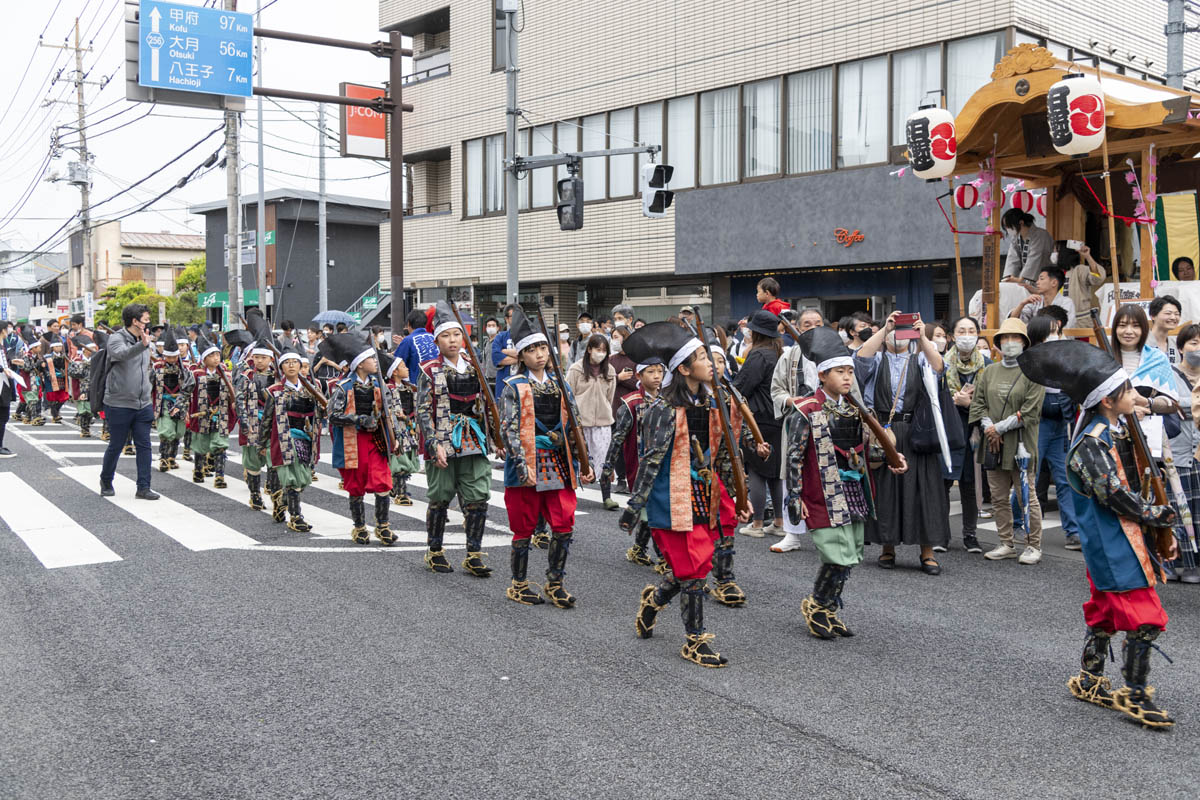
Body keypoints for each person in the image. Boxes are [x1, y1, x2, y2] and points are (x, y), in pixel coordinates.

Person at [1018, 339, 1178, 728]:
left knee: (1106, 613)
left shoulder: (1114, 431)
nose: (1134, 395)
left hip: (1115, 539)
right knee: (1146, 619)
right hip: (1113, 541)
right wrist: (1161, 515)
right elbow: (1116, 498)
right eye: (1127, 390)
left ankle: (1090, 678)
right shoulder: (1091, 444)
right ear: (1107, 400)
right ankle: (1135, 694)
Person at [620, 322, 753, 668]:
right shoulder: (662, 409)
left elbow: (726, 455)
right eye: (701, 357)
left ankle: (654, 600)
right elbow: (650, 460)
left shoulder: (715, 403)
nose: (711, 363)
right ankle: (696, 640)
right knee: (692, 570)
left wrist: (741, 496)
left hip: (707, 492)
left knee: (698, 565)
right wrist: (635, 507)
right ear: (683, 368)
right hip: (672, 494)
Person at [788, 326, 907, 638]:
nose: (846, 378)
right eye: (839, 372)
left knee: (851, 554)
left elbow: (869, 448)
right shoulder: (807, 409)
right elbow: (793, 457)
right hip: (821, 491)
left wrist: (890, 459)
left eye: (849, 372)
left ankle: (828, 607)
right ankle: (816, 605)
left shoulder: (855, 409)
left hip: (852, 487)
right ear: (823, 375)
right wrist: (794, 494)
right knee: (835, 553)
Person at [499, 306, 593, 607]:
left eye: (542, 348)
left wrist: (584, 462)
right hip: (528, 463)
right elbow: (509, 429)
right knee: (524, 526)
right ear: (522, 356)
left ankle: (555, 582)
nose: (539, 354)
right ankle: (519, 583)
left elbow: (575, 425)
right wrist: (521, 463)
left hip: (559, 462)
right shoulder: (513, 387)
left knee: (564, 523)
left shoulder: (561, 385)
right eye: (532, 350)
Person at [855, 310, 951, 573]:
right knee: (886, 490)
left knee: (924, 490)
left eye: (902, 331)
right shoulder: (876, 359)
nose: (898, 336)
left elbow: (939, 367)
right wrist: (884, 330)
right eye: (895, 332)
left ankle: (927, 552)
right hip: (883, 430)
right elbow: (860, 358)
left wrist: (922, 338)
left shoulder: (920, 358)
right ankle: (888, 548)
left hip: (916, 430)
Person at [416, 301, 498, 574]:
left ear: (464, 337)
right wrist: (433, 443)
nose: (452, 340)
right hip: (443, 438)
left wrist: (496, 439)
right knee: (440, 497)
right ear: (436, 340)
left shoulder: (475, 367)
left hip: (473, 438)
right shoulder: (429, 369)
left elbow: (487, 406)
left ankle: (473, 554)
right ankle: (435, 551)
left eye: (456, 335)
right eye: (445, 336)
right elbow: (423, 410)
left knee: (477, 497)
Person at [969, 318, 1045, 564]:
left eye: (1015, 338)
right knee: (999, 496)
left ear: (1024, 342)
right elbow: (978, 403)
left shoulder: (1034, 371)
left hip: (1021, 444)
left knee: (1026, 495)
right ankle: (1006, 542)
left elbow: (1031, 411)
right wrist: (988, 427)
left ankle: (1033, 545)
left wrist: (997, 428)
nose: (1010, 342)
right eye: (1005, 338)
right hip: (992, 445)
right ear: (999, 343)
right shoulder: (990, 371)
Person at [326, 333, 397, 545]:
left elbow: (390, 412)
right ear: (359, 365)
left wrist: (397, 438)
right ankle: (359, 527)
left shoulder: (380, 385)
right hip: (353, 442)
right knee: (356, 486)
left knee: (383, 483)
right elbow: (332, 415)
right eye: (371, 359)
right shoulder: (344, 387)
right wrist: (359, 419)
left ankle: (383, 526)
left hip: (376, 441)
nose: (376, 362)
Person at [1026, 315, 1082, 550]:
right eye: (1050, 331)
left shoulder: (1066, 355)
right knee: (1030, 476)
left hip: (1061, 421)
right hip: (1038, 422)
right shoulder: (1029, 358)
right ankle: (1017, 521)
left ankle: (1072, 532)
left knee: (1064, 478)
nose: (1055, 335)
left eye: (1057, 331)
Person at [603, 360, 666, 567]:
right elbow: (618, 437)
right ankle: (665, 558)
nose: (656, 376)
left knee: (656, 510)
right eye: (651, 372)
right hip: (640, 467)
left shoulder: (669, 400)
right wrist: (608, 467)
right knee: (653, 510)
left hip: (665, 465)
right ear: (638, 376)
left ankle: (639, 548)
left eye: (660, 371)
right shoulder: (630, 403)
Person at [99, 303, 159, 500]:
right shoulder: (116, 339)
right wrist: (141, 345)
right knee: (116, 444)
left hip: (143, 402)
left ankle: (144, 486)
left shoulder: (146, 339)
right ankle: (106, 480)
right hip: (119, 403)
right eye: (146, 319)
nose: (148, 322)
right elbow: (121, 354)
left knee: (144, 445)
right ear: (135, 321)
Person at [261, 341, 320, 533]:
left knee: (303, 480)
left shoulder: (312, 389)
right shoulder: (274, 391)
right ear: (281, 368)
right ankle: (296, 517)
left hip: (306, 437)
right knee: (293, 478)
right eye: (288, 363)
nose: (292, 365)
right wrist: (262, 443)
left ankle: (280, 500)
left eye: (296, 362)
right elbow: (268, 418)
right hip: (285, 438)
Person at [734, 310, 784, 538]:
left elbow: (741, 387)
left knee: (756, 470)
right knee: (775, 472)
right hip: (778, 417)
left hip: (758, 418)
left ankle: (756, 523)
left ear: (756, 332)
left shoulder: (758, 355)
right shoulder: (778, 352)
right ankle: (779, 522)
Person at [945, 316, 989, 553]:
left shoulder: (987, 365)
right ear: (953, 336)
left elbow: (991, 404)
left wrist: (969, 403)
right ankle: (941, 534)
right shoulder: (942, 364)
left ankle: (970, 535)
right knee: (943, 482)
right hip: (948, 428)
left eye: (971, 330)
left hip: (974, 430)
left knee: (970, 484)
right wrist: (953, 402)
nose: (966, 335)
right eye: (961, 330)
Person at [1164, 324, 1200, 583]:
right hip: (1177, 452)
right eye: (1193, 343)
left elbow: (1179, 407)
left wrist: (1182, 407)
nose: (1198, 349)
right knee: (1179, 508)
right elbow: (1167, 405)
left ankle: (1195, 566)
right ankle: (1179, 562)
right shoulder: (1169, 373)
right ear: (1180, 348)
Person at [566, 333, 616, 503]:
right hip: (581, 423)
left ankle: (607, 496)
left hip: (603, 422)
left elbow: (610, 397)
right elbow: (568, 395)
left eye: (604, 350)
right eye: (597, 349)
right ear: (589, 350)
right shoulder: (576, 370)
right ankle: (571, 492)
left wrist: (605, 411)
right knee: (579, 458)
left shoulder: (610, 371)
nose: (600, 353)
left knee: (603, 460)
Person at [235, 329, 280, 517]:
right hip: (253, 422)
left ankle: (276, 498)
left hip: (272, 425)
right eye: (257, 357)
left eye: (264, 357)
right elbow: (239, 400)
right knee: (253, 462)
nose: (260, 361)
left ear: (271, 359)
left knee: (274, 461)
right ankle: (255, 494)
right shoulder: (246, 376)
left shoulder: (278, 378)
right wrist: (245, 424)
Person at [186, 329, 236, 489]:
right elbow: (185, 392)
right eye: (212, 356)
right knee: (201, 445)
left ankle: (220, 476)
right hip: (201, 415)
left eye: (217, 355)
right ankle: (199, 469)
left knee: (220, 445)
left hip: (221, 414)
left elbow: (234, 395)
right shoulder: (196, 374)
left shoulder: (226, 375)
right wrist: (182, 409)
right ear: (204, 358)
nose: (216, 358)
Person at [149, 327, 194, 472]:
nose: (172, 360)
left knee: (178, 431)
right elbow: (149, 385)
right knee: (166, 431)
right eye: (169, 357)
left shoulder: (185, 368)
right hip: (163, 403)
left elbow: (189, 387)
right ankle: (163, 457)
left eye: (174, 357)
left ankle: (172, 458)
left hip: (180, 403)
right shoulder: (157, 367)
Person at [607, 325, 638, 493]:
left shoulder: (636, 359)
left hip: (632, 409)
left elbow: (638, 383)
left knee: (631, 445)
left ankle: (632, 476)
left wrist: (624, 379)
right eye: (613, 336)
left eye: (617, 336)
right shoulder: (611, 360)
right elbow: (606, 381)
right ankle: (620, 478)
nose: (614, 340)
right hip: (615, 407)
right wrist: (618, 378)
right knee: (616, 445)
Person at [1000, 208, 1054, 286]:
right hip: (1025, 279)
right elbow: (1012, 258)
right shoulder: (1016, 237)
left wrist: (1021, 279)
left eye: (1009, 226)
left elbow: (1035, 259)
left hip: (1043, 278)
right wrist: (1009, 277)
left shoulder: (1040, 235)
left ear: (1021, 223)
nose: (1007, 229)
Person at [1010, 267, 1076, 327]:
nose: (1037, 282)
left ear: (1054, 283)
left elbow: (1065, 328)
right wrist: (1022, 304)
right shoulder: (1036, 301)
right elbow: (1013, 320)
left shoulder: (1066, 303)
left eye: (1041, 279)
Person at [1064, 243, 1107, 319]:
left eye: (1056, 249)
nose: (1054, 252)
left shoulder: (1079, 270)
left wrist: (1088, 256)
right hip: (1060, 319)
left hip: (1080, 320)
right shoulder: (1052, 272)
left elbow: (1098, 278)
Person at [394, 308, 438, 380]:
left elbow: (396, 364)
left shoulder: (408, 340)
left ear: (408, 324)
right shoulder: (434, 338)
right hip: (437, 383)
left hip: (418, 386)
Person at [490, 304, 518, 399]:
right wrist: (520, 358)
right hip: (504, 384)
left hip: (524, 385)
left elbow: (529, 356)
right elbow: (497, 358)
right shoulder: (500, 337)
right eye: (513, 316)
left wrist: (504, 351)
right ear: (506, 319)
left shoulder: (529, 337)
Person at [1147, 295, 1182, 367]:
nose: (1173, 317)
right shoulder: (1142, 342)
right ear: (1153, 316)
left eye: (1177, 314)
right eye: (1168, 313)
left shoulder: (1176, 344)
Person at [40, 335, 69, 424]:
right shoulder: (47, 357)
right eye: (57, 346)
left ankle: (55, 411)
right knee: (52, 397)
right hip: (51, 378)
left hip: (62, 378)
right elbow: (43, 368)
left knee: (64, 397)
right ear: (52, 347)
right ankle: (55, 415)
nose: (59, 348)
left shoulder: (65, 356)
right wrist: (48, 374)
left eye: (60, 346)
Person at [0, 323, 17, 458]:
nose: (9, 331)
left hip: (4, 382)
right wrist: (2, 369)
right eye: (7, 328)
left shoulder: (2, 344)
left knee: (3, 415)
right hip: (1, 383)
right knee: (2, 415)